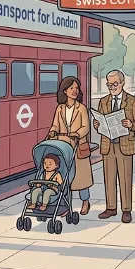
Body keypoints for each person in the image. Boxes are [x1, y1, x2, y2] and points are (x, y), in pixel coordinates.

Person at [94, 70, 135, 222]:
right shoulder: (103, 101)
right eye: (109, 84)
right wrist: (97, 125)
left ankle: (126, 210)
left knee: (125, 179)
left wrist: (130, 124)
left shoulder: (132, 101)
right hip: (108, 145)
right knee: (109, 178)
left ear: (122, 83)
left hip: (124, 146)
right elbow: (99, 121)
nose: (112, 87)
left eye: (115, 84)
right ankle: (111, 207)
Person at [47, 76, 94, 215]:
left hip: (78, 147)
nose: (74, 91)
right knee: (64, 176)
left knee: (81, 177)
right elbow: (55, 125)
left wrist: (77, 134)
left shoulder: (82, 108)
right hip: (63, 147)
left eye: (76, 88)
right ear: (65, 91)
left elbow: (86, 127)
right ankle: (66, 205)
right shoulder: (60, 108)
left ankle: (85, 201)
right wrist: (53, 131)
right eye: (71, 88)